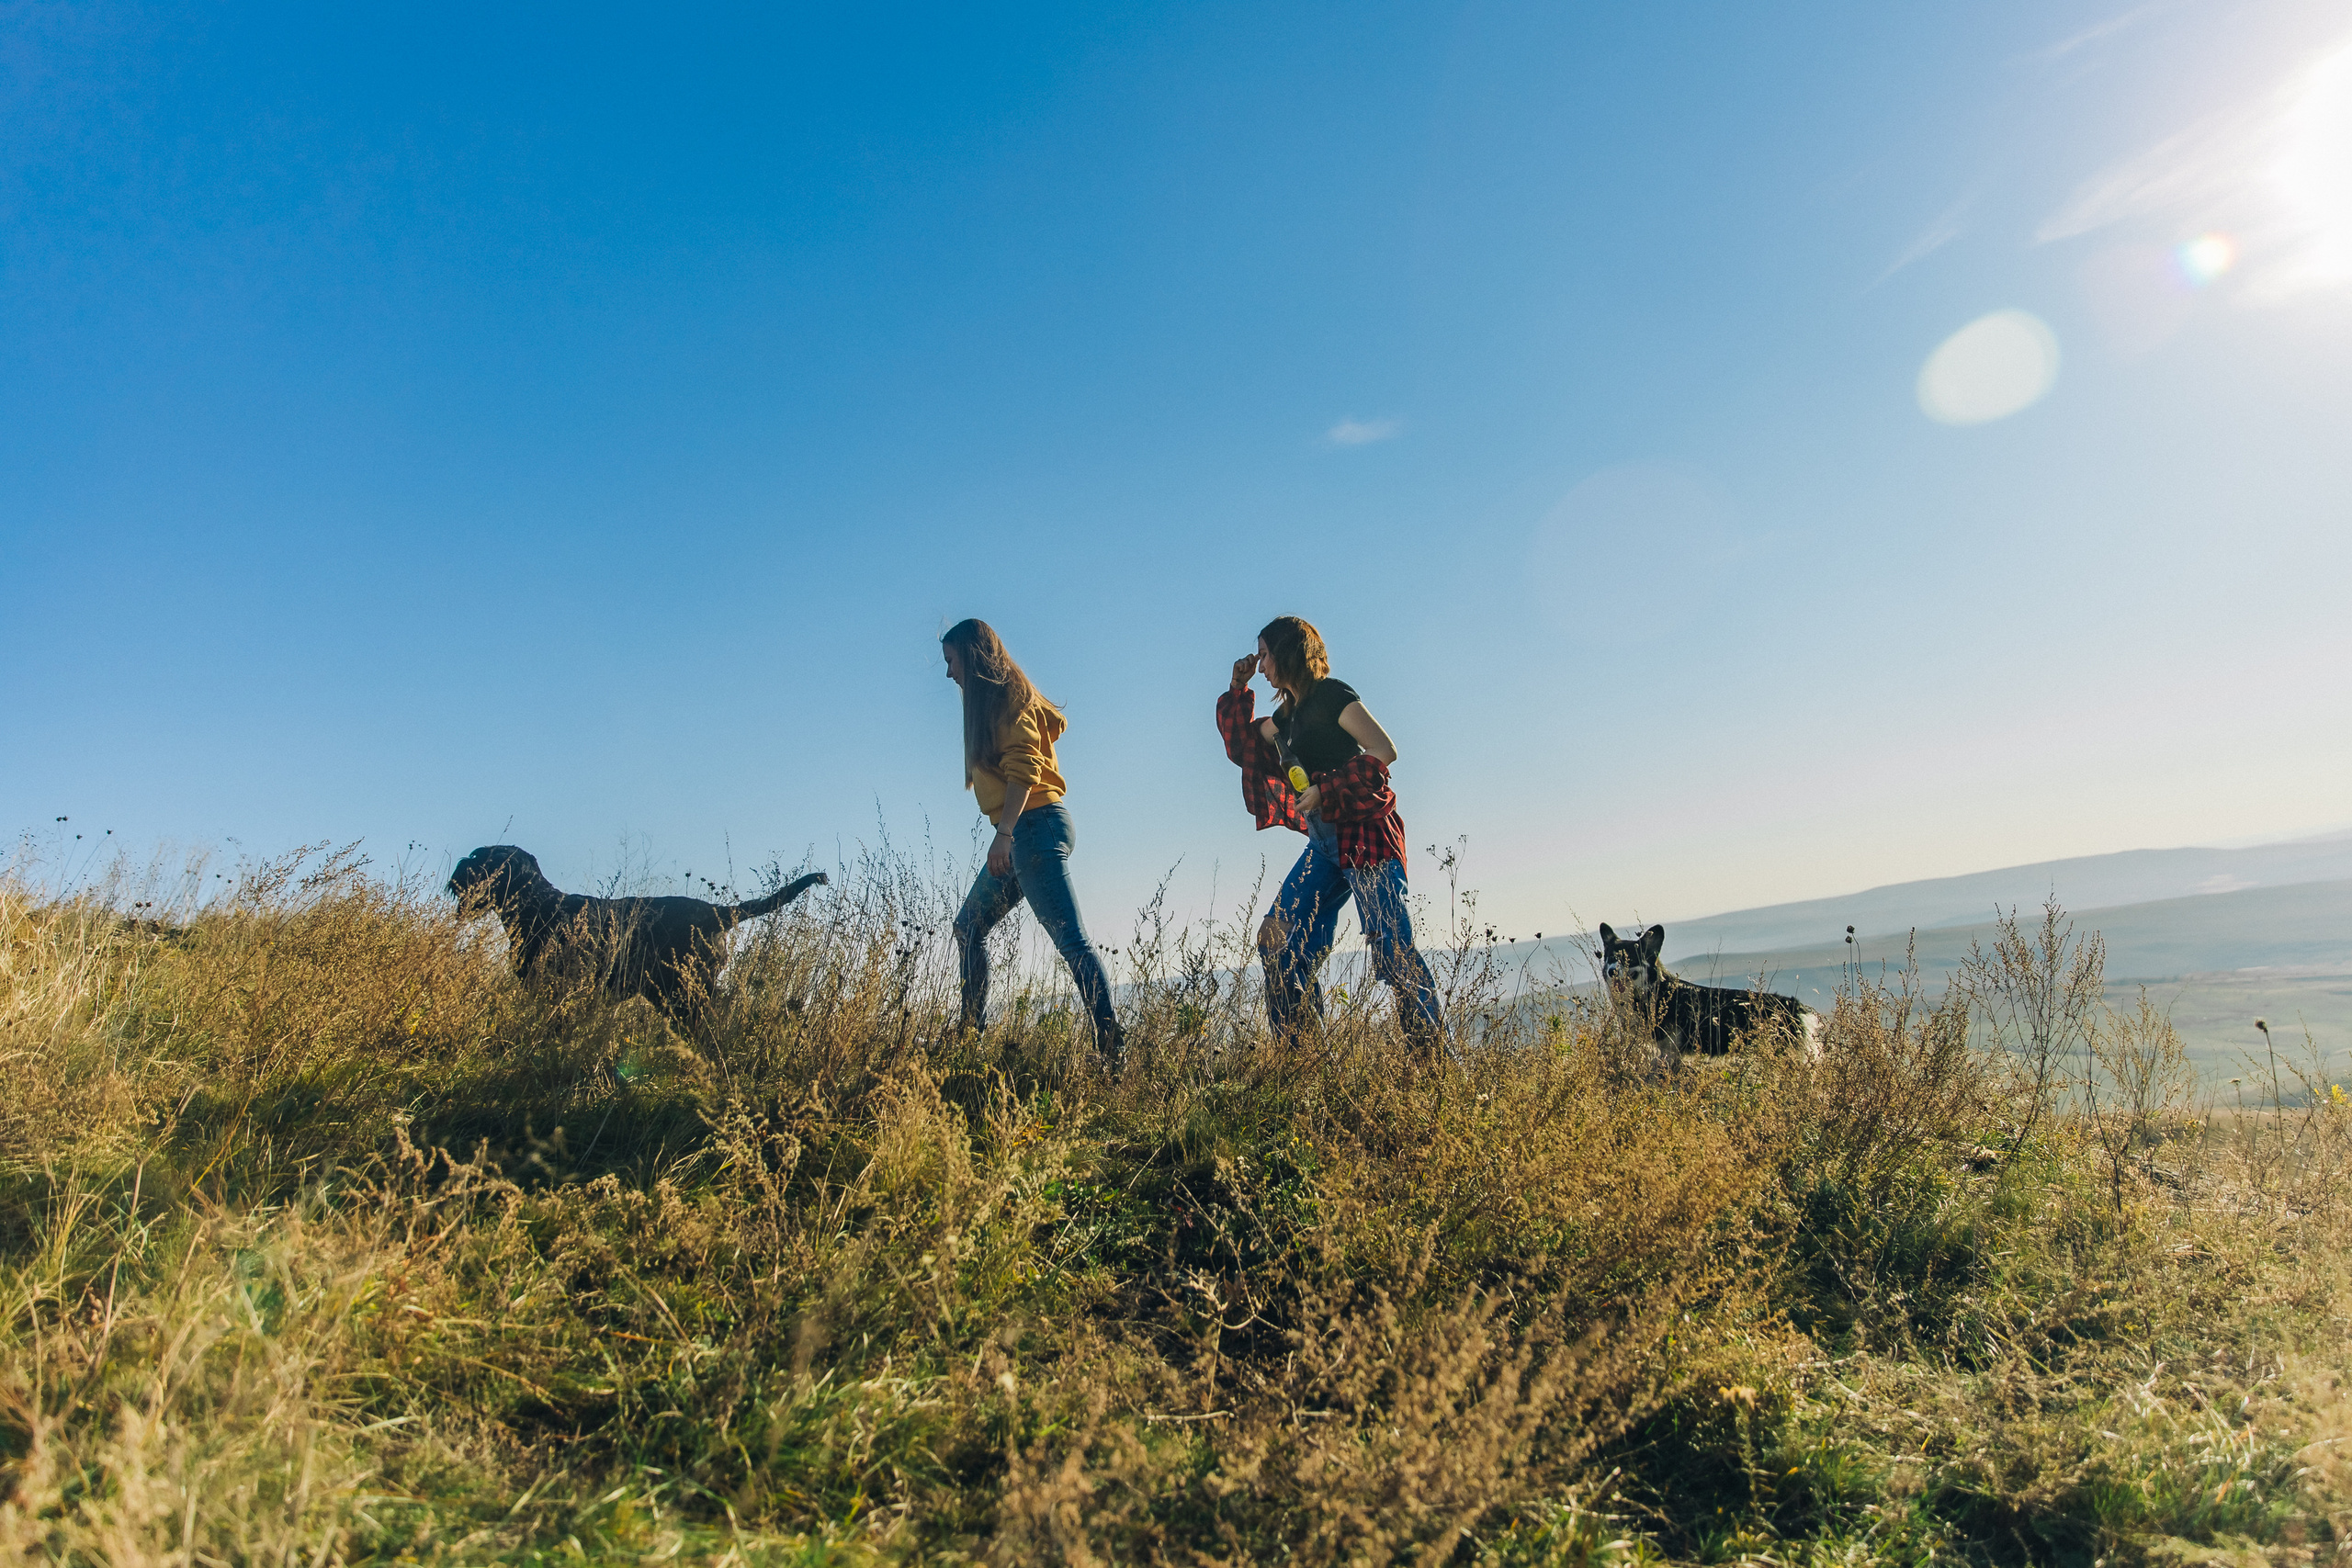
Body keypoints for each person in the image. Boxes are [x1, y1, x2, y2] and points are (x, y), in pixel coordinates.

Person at [1216, 615, 1447, 1056]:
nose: (1261, 665)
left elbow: (1384, 749)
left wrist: (1327, 789)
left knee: (1394, 954)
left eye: (1264, 655)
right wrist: (1238, 686)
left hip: (1365, 837)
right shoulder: (1287, 714)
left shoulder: (1332, 695)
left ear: (1286, 653)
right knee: (1275, 942)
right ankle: (1303, 1059)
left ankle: (1437, 1065)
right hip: (1324, 844)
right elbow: (1243, 745)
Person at [943, 618, 1125, 1066]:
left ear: (972, 658)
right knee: (968, 927)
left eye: (951, 662)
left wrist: (1003, 835)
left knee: (1071, 941)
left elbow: (1025, 770)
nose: (949, 673)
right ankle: (968, 1036)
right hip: (1028, 830)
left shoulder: (1007, 699)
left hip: (1032, 828)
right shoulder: (994, 705)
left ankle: (1112, 1051)